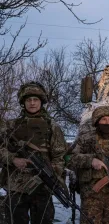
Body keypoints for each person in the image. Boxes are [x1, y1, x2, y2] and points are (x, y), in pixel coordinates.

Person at [0, 81, 67, 224]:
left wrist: (51, 173)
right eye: (28, 100)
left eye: (35, 100)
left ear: (41, 102)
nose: (32, 103)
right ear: (23, 103)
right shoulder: (10, 126)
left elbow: (59, 156)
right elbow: (1, 149)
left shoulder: (52, 126)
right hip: (16, 186)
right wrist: (13, 159)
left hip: (42, 186)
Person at [68, 105, 109, 224]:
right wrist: (90, 160)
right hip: (91, 194)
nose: (107, 122)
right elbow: (68, 158)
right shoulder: (86, 139)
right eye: (103, 119)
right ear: (97, 121)